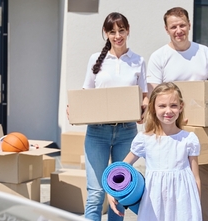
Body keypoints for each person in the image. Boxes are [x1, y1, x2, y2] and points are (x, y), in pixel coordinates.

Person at [146, 7, 208, 221]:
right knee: (171, 185)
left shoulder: (203, 52)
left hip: (202, 129)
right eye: (173, 27)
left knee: (206, 183)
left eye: (182, 25)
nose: (178, 30)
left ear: (189, 25)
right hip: (171, 132)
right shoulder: (159, 57)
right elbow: (154, 98)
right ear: (166, 29)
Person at [78, 12, 148, 221]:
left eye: (122, 30)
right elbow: (86, 94)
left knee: (119, 191)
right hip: (97, 132)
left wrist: (143, 107)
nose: (118, 35)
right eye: (112, 31)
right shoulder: (95, 59)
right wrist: (74, 108)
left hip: (126, 132)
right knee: (97, 192)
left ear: (128, 31)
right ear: (106, 33)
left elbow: (144, 95)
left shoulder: (138, 60)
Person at [110, 82, 202, 221]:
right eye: (162, 106)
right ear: (153, 107)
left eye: (173, 105)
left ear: (181, 107)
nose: (168, 111)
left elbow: (196, 178)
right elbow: (121, 169)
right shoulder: (145, 140)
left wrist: (196, 207)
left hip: (183, 204)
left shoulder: (188, 139)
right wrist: (111, 193)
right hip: (154, 204)